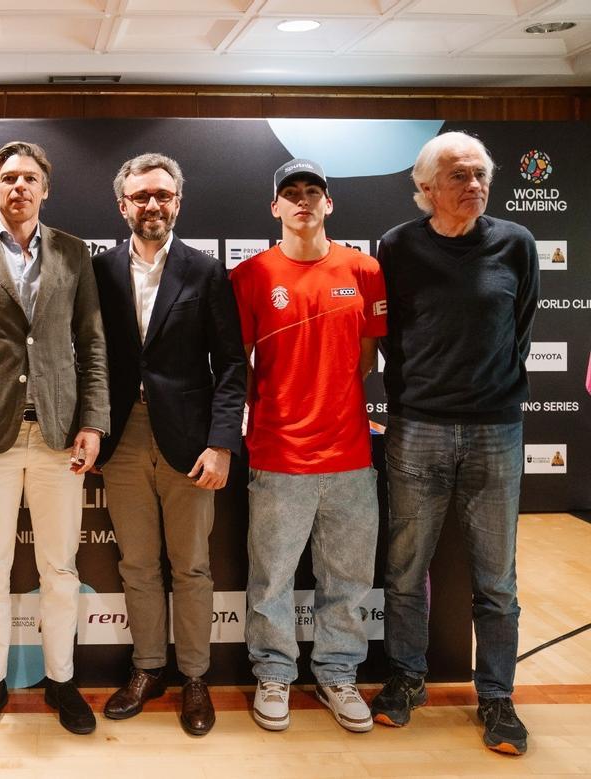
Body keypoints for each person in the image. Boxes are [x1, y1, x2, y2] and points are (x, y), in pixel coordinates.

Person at [371, 131, 539, 756]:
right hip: (417, 429)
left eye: (479, 173)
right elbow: (388, 334)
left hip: (497, 428)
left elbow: (520, 328)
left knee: (498, 579)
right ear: (427, 189)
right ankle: (406, 679)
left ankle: (497, 696)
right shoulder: (397, 247)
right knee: (406, 569)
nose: (473, 185)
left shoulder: (516, 245)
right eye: (458, 176)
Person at [0, 140, 110, 738]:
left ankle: (62, 681)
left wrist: (93, 422)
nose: (19, 187)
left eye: (30, 178)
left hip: (61, 437)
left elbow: (90, 344)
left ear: (45, 189)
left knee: (60, 570)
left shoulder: (72, 251)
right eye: (8, 178)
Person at [92, 153, 246, 736]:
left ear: (177, 202)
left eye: (162, 195)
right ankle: (148, 668)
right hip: (122, 440)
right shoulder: (99, 272)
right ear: (122, 205)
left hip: (190, 442)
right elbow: (89, 359)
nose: (151, 205)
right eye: (140, 196)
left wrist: (222, 443)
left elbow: (232, 365)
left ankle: (196, 676)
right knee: (136, 564)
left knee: (193, 567)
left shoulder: (205, 272)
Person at [231, 159, 386, 734]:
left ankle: (338, 672)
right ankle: (274, 672)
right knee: (270, 578)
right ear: (275, 207)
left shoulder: (364, 269)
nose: (302, 201)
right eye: (290, 193)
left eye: (312, 192)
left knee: (346, 579)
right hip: (277, 455)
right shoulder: (249, 276)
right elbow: (239, 368)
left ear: (329, 204)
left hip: (349, 455)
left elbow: (368, 358)